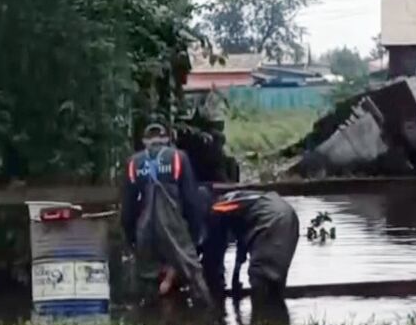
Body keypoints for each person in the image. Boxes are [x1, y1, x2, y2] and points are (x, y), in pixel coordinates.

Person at [121, 123, 213, 305]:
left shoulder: (133, 163)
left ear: (145, 141)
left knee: (147, 277)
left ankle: (149, 319)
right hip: (174, 229)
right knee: (192, 273)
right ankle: (204, 316)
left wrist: (132, 238)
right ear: (167, 140)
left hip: (145, 231)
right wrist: (195, 236)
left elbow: (128, 207)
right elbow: (191, 201)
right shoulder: (179, 158)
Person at [202, 189, 299, 301]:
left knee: (261, 278)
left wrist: (212, 285)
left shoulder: (220, 207)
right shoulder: (242, 200)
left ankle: (264, 315)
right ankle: (276, 314)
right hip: (288, 216)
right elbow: (241, 246)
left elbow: (214, 254)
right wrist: (235, 278)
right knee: (275, 279)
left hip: (271, 219)